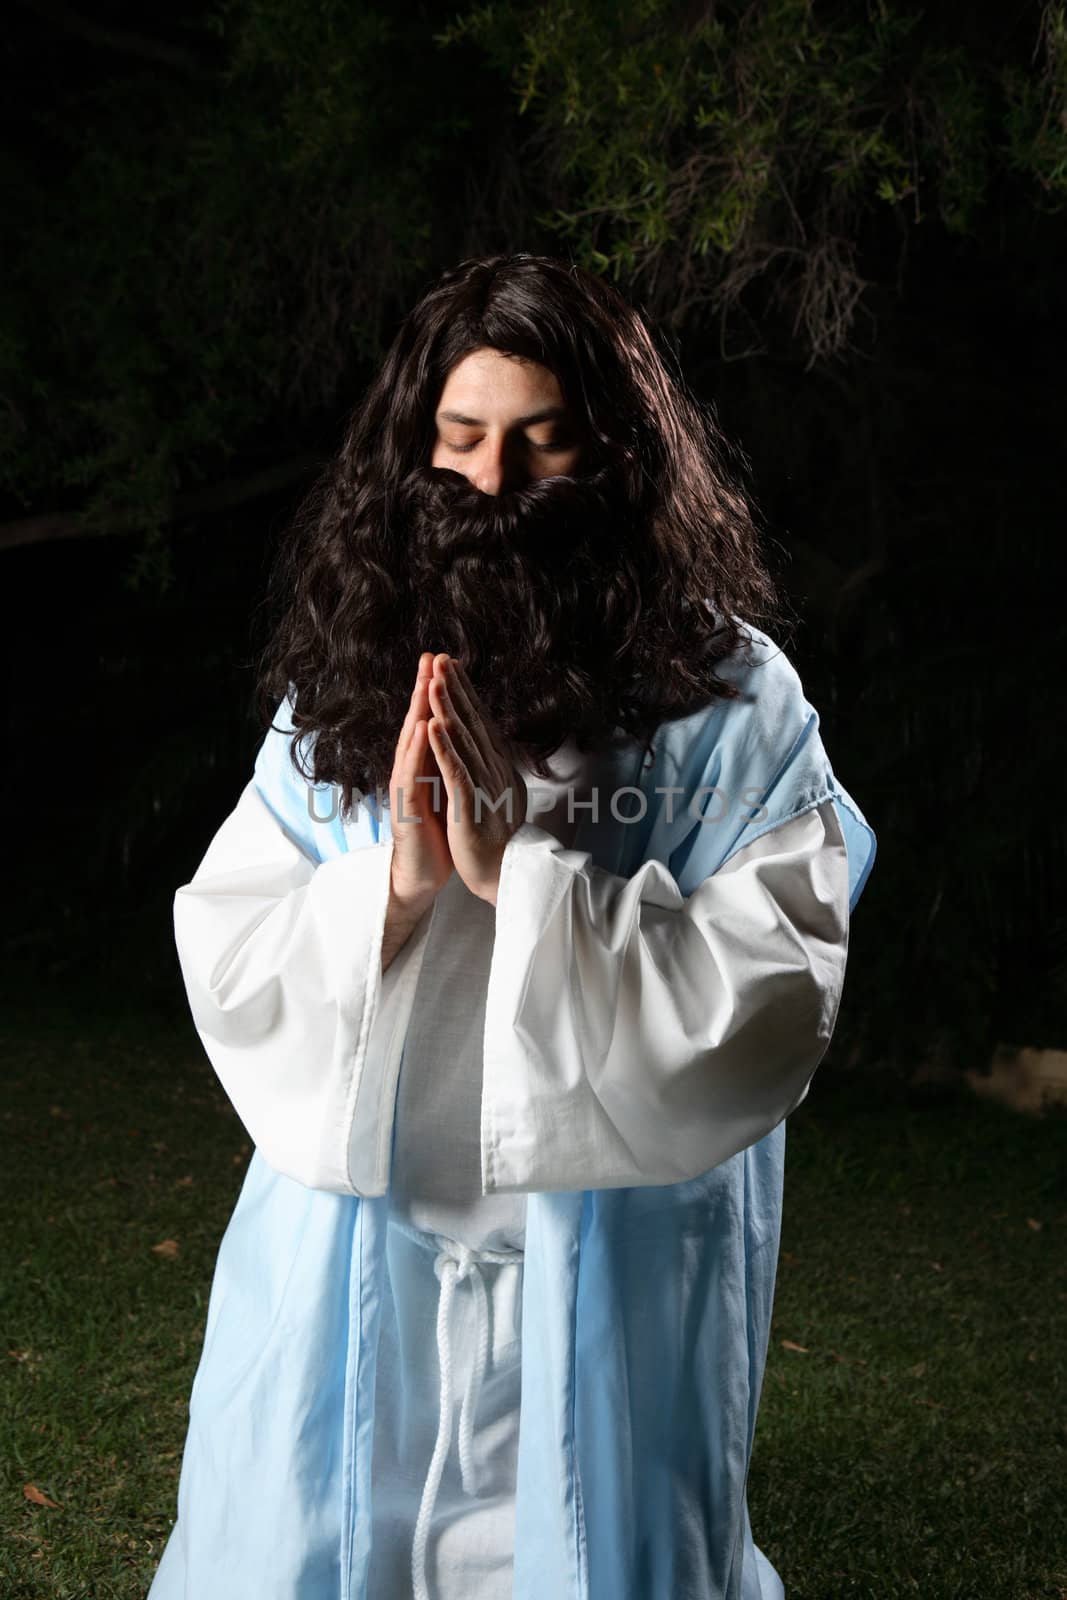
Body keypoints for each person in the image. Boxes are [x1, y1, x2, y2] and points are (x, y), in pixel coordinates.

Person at [148, 253, 876, 1600]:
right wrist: (401, 882)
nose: (490, 490)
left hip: (594, 1289)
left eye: (539, 448)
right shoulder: (348, 679)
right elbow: (236, 941)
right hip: (360, 1282)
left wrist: (521, 880)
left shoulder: (728, 702)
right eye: (461, 441)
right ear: (414, 450)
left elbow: (780, 979)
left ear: (617, 454)